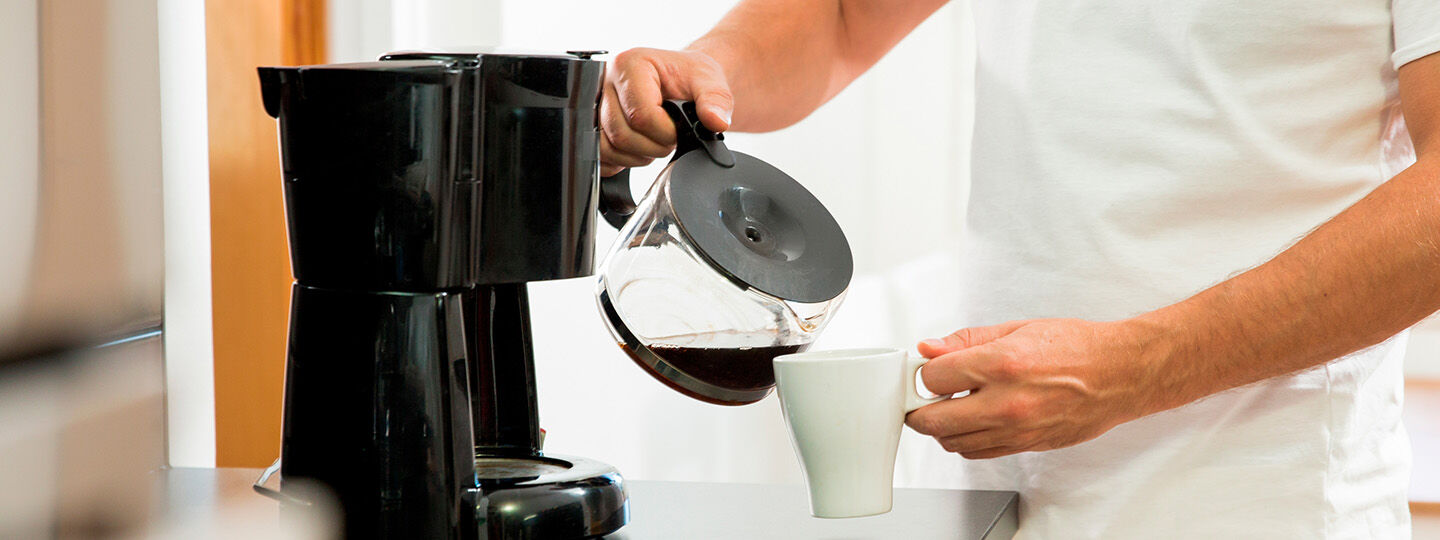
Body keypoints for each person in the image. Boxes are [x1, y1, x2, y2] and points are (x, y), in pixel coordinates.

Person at [599, 1, 1440, 538]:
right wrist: (713, 68)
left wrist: (1139, 369)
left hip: (1253, 512)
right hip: (992, 505)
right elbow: (848, 17)